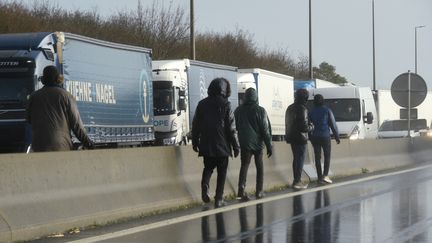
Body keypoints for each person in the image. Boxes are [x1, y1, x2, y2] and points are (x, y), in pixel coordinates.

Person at [192, 77, 240, 208]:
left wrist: (195, 141)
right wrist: (236, 146)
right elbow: (231, 128)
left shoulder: (202, 104)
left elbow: (195, 124)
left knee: (208, 168)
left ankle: (205, 186)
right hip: (222, 144)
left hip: (206, 143)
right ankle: (219, 198)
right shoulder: (226, 105)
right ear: (225, 90)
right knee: (222, 171)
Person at [26, 65, 94, 152]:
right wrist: (88, 143)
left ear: (43, 80)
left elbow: (28, 120)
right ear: (58, 79)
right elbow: (76, 125)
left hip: (39, 147)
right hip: (61, 147)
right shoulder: (66, 96)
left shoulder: (33, 97)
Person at [234, 88, 272, 201]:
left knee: (244, 165)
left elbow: (233, 126)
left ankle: (241, 190)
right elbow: (265, 129)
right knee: (259, 166)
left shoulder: (238, 110)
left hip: (244, 142)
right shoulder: (260, 110)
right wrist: (269, 145)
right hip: (258, 143)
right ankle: (259, 191)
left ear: (245, 97)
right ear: (256, 97)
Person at [285, 88, 314, 190]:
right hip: (300, 138)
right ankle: (297, 181)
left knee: (296, 158)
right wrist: (311, 126)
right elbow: (304, 127)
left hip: (291, 136)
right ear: (305, 98)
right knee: (300, 159)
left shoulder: (290, 108)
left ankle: (296, 180)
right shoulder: (303, 109)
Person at [308, 94, 340, 184]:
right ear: (323, 101)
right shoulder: (327, 110)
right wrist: (337, 136)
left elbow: (308, 126)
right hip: (325, 136)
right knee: (327, 156)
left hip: (315, 137)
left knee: (317, 157)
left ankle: (319, 177)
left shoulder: (311, 112)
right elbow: (333, 124)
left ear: (314, 102)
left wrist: (310, 137)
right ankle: (325, 175)